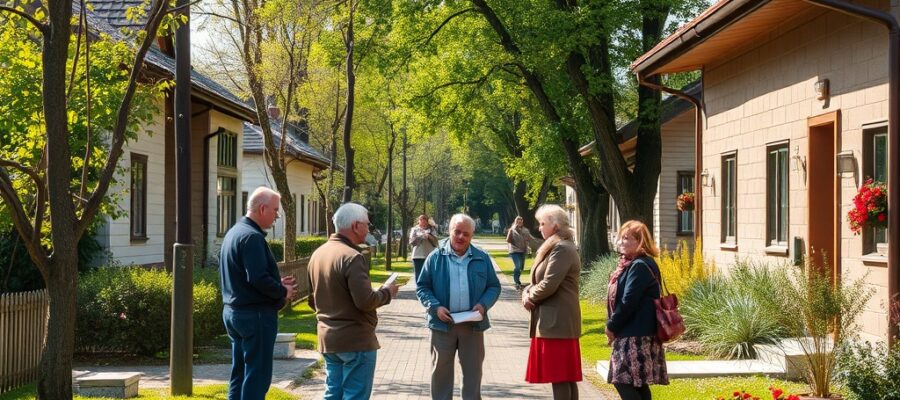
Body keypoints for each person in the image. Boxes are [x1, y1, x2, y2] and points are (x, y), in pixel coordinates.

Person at [308, 202, 401, 400]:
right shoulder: (352, 257)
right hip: (355, 340)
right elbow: (365, 301)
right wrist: (387, 293)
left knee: (333, 393)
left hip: (328, 338)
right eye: (367, 224)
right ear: (356, 225)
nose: (369, 228)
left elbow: (312, 301)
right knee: (355, 395)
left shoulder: (318, 254)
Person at [219, 186, 298, 400]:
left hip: (234, 313)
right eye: (275, 211)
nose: (276, 217)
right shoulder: (252, 237)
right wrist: (282, 290)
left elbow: (246, 277)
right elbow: (256, 278)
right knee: (258, 375)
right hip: (255, 316)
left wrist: (275, 283)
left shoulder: (234, 232)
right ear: (262, 209)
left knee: (240, 372)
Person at [416, 213, 501, 400]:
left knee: (472, 375)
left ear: (472, 236)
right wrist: (435, 307)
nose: (461, 237)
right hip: (442, 325)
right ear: (450, 231)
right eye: (457, 232)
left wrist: (483, 305)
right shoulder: (435, 257)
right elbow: (422, 287)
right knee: (440, 375)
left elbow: (494, 286)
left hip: (472, 326)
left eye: (466, 234)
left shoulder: (482, 257)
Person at [521, 205, 582, 399]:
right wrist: (527, 291)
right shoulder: (557, 246)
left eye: (542, 223)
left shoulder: (562, 248)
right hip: (554, 320)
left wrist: (530, 296)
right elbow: (538, 281)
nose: (539, 227)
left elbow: (549, 283)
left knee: (561, 377)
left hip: (558, 322)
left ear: (555, 226)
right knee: (563, 378)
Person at [606, 220, 669, 400]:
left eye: (626, 238)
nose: (621, 242)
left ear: (640, 241)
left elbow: (628, 302)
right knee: (638, 383)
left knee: (622, 380)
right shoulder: (633, 264)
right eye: (621, 238)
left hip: (635, 335)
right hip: (637, 332)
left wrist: (611, 326)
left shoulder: (639, 265)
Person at [506, 216, 536, 290]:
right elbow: (508, 240)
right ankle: (517, 282)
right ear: (516, 222)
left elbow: (530, 238)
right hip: (514, 251)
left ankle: (517, 279)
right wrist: (515, 242)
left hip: (522, 251)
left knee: (521, 267)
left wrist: (533, 244)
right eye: (518, 222)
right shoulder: (512, 230)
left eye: (521, 222)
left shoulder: (525, 230)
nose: (519, 223)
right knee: (518, 266)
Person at [409, 214, 440, 281]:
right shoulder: (414, 229)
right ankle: (419, 289)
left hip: (430, 255)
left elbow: (436, 242)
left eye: (424, 220)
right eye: (421, 220)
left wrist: (429, 236)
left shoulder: (431, 229)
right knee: (418, 275)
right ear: (418, 221)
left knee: (429, 274)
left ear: (427, 221)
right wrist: (421, 237)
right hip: (417, 256)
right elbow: (411, 242)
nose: (423, 222)